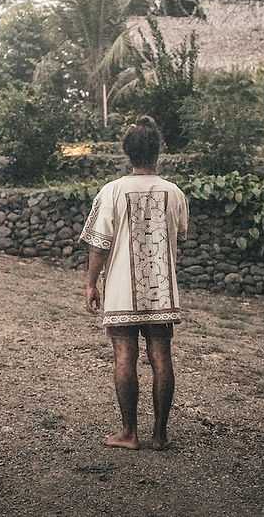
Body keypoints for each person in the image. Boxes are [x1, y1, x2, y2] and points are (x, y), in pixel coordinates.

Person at [80, 115, 189, 451]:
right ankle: (160, 435)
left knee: (124, 357)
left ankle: (129, 433)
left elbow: (99, 245)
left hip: (122, 291)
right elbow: (179, 239)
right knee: (161, 357)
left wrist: (91, 283)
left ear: (127, 153)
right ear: (157, 152)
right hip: (161, 291)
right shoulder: (174, 193)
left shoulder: (112, 191)